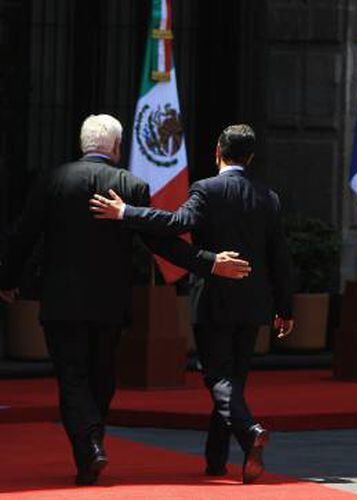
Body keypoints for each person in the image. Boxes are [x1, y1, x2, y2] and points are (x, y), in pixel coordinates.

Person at [0, 115, 251, 486]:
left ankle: (89, 447)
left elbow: (24, 234)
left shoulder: (53, 180)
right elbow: (160, 244)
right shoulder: (130, 184)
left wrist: (7, 280)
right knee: (102, 377)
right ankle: (92, 443)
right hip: (110, 302)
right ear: (116, 147)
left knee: (72, 377)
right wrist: (210, 263)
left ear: (83, 143)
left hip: (62, 301)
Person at [90, 124, 294, 484]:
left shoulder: (207, 190)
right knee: (235, 381)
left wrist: (125, 213)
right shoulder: (269, 196)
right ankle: (218, 460)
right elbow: (280, 257)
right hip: (253, 303)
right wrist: (285, 308)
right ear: (250, 156)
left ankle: (249, 431)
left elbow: (175, 223)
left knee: (217, 376)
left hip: (213, 298)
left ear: (218, 151)